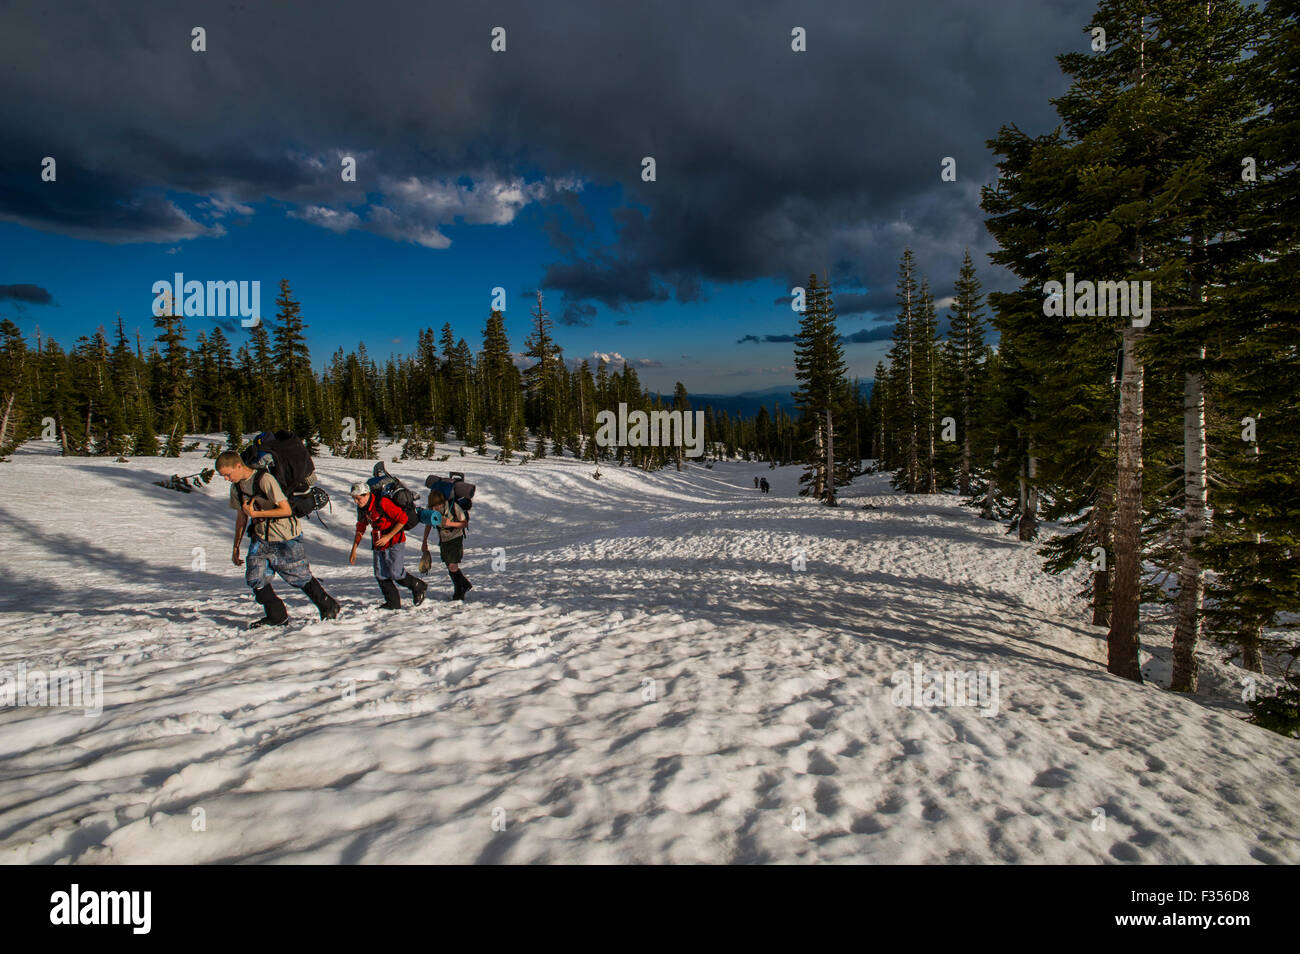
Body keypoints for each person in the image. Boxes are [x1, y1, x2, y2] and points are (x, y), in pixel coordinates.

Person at [216, 450, 339, 628]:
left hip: (284, 535)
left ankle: (328, 605)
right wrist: (236, 546)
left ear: (238, 465)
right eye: (223, 476)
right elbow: (241, 517)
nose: (226, 479)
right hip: (260, 536)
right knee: (255, 578)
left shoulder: (264, 480)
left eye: (227, 474)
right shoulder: (236, 487)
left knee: (298, 576)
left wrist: (257, 513)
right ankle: (277, 616)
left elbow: (286, 509)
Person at [349, 481, 426, 609]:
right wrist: (354, 549)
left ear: (367, 494)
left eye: (358, 498)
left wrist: (388, 537)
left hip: (395, 540)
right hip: (378, 542)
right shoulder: (363, 509)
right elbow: (360, 527)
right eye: (354, 499)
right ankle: (393, 603)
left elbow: (403, 519)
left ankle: (418, 586)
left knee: (396, 573)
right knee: (380, 574)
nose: (356, 502)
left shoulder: (382, 502)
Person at [422, 489, 472, 600]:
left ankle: (459, 591)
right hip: (444, 539)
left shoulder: (453, 507)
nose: (435, 509)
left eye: (437, 506)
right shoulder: (431, 509)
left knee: (452, 565)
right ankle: (465, 584)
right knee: (449, 564)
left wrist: (450, 523)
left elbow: (464, 523)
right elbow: (428, 524)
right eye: (433, 507)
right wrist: (424, 541)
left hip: (456, 537)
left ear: (441, 503)